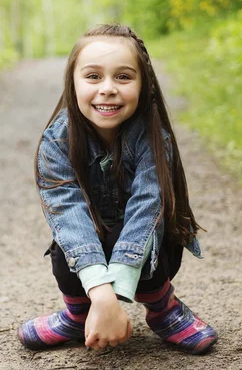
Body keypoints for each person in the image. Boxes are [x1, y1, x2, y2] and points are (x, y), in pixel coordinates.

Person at [17, 24, 217, 355]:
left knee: (141, 231)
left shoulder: (153, 140)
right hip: (88, 253)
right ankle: (78, 314)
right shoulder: (57, 141)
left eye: (123, 77)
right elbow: (67, 214)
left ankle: (163, 308)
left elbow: (146, 211)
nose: (108, 88)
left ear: (144, 86)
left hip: (149, 251)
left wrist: (112, 296)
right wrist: (100, 296)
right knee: (66, 245)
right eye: (93, 77)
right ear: (73, 84)